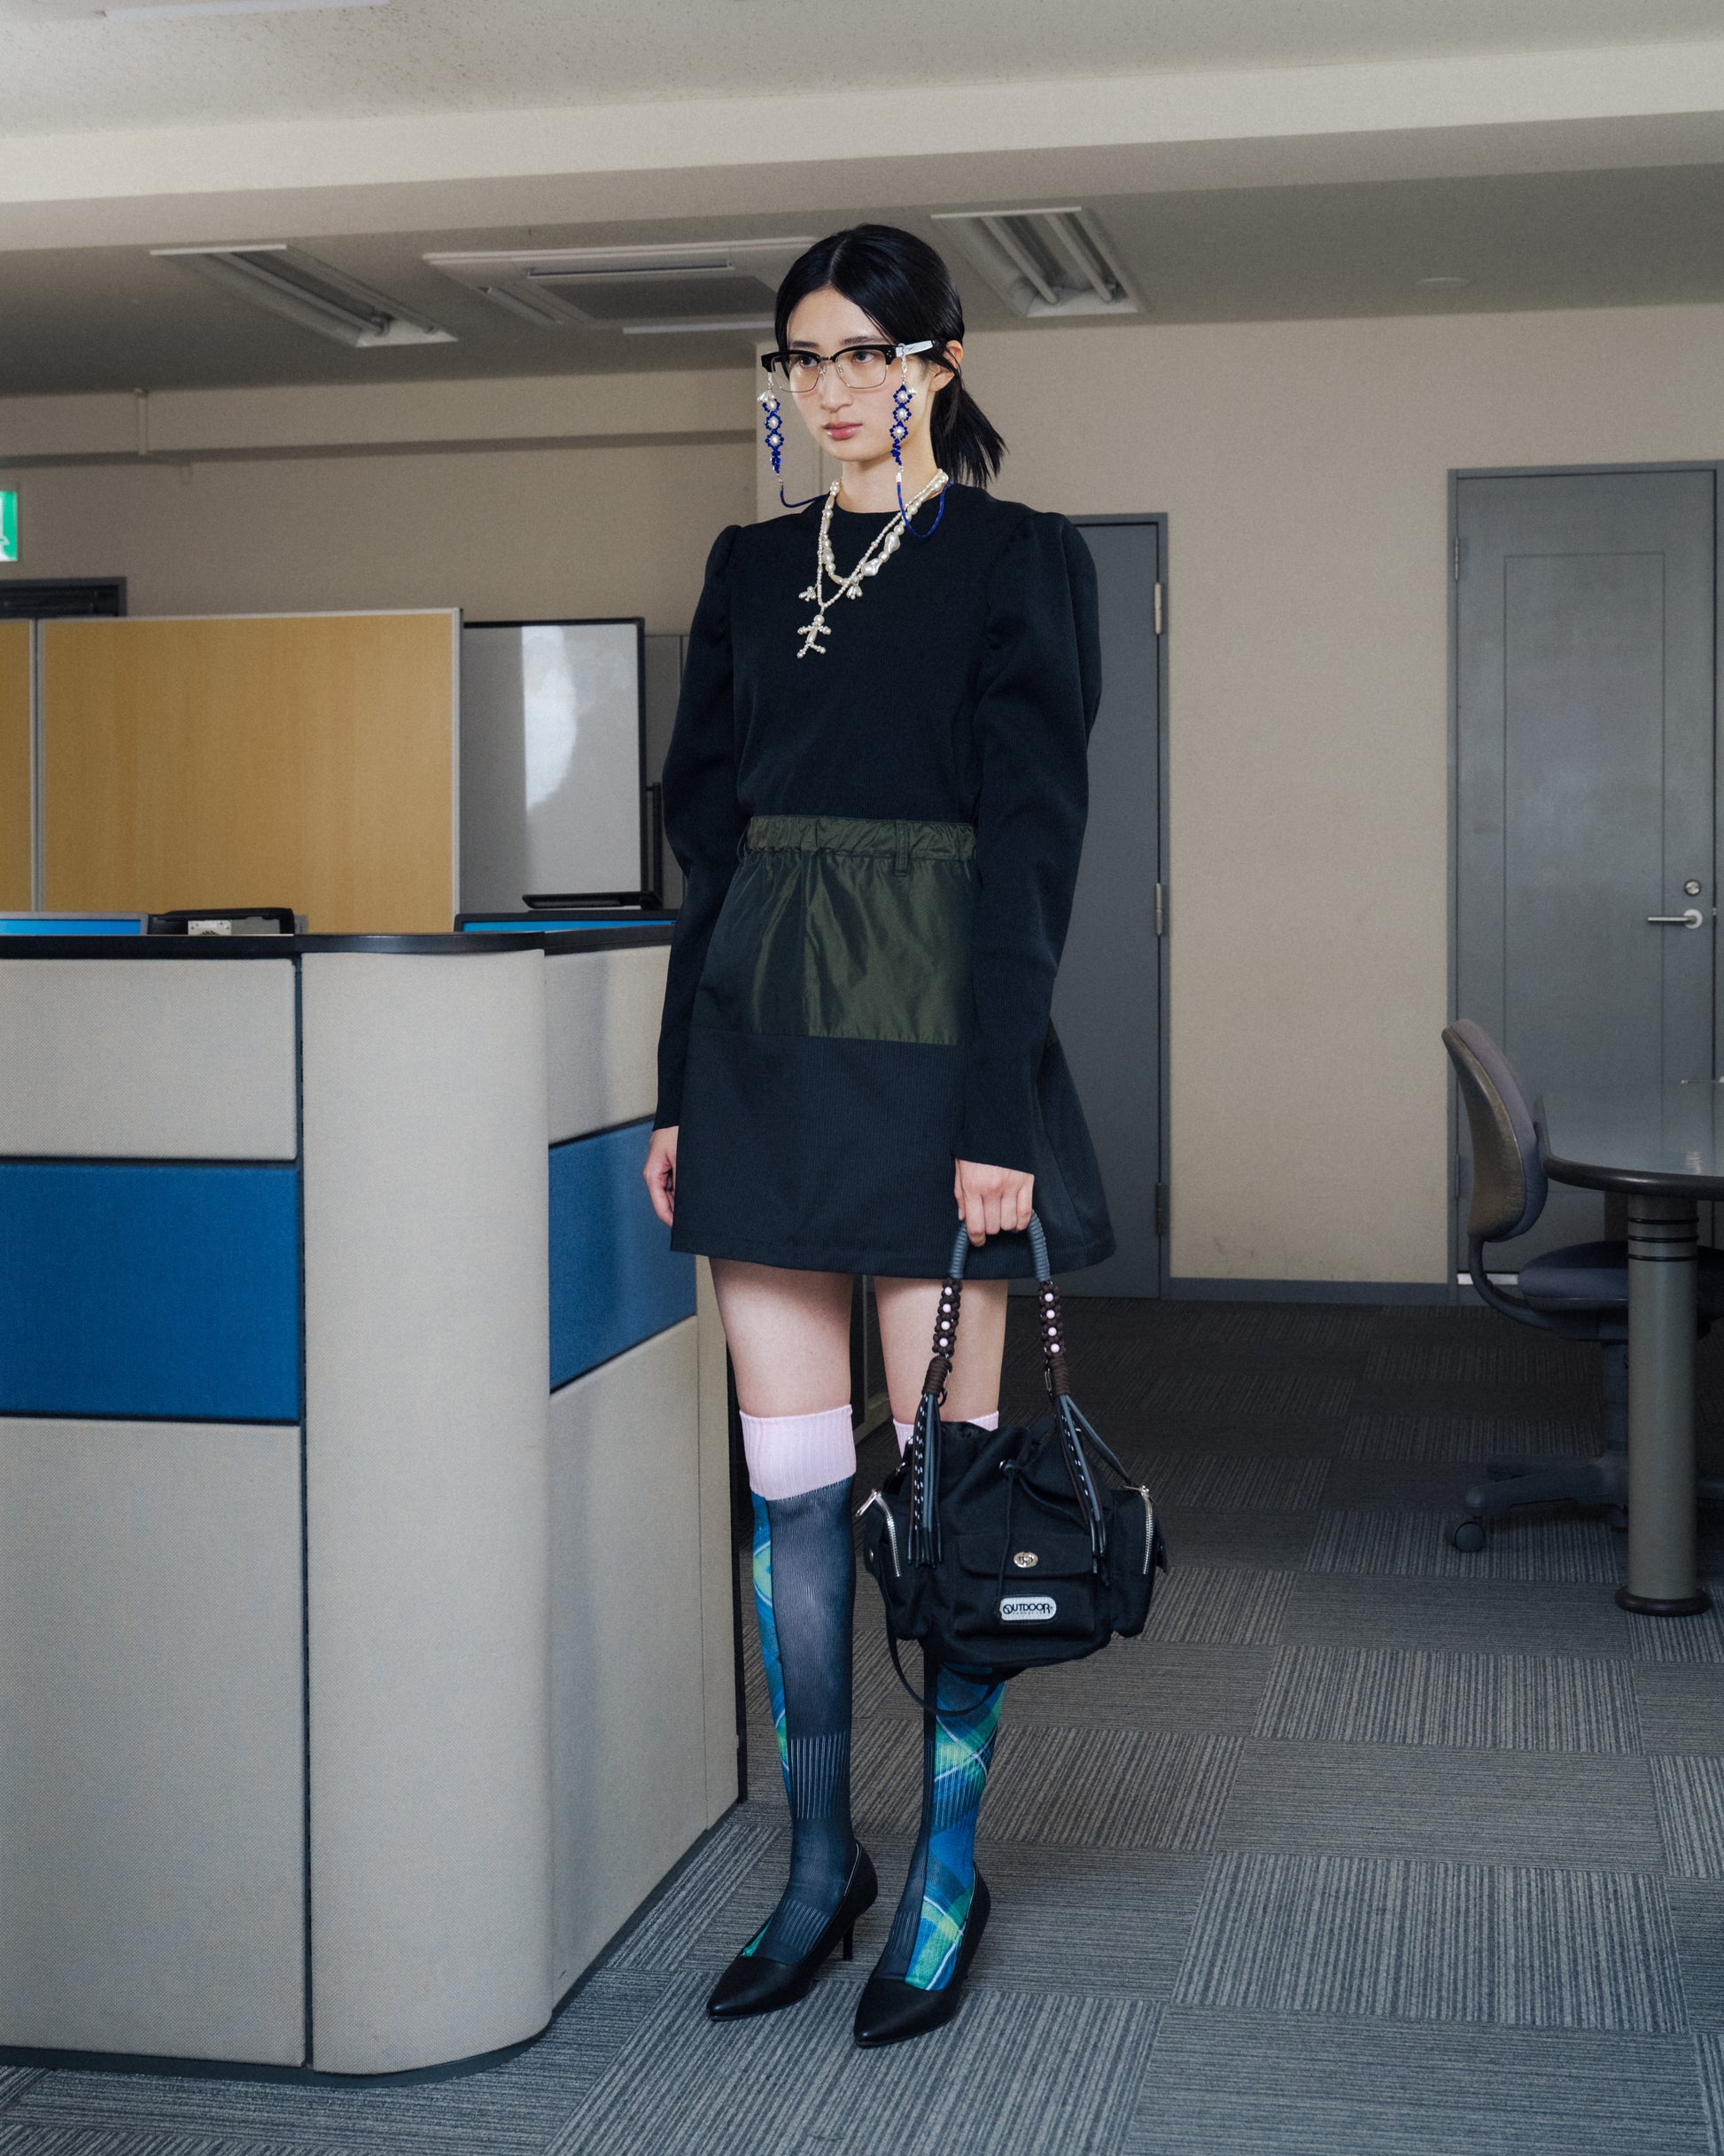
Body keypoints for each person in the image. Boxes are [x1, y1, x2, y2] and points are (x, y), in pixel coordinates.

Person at [643, 223, 1111, 2048]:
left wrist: (998, 1119)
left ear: (941, 361)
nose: (833, 384)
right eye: (803, 356)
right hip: (760, 1064)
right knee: (787, 1486)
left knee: (943, 1491)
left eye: (866, 351)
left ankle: (942, 1868)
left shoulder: (1016, 557)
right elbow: (708, 847)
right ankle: (816, 1861)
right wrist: (680, 1087)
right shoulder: (748, 566)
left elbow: (1032, 850)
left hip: (933, 1075)